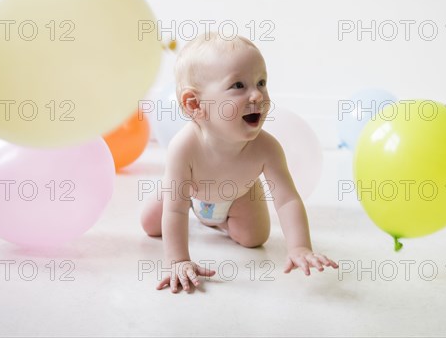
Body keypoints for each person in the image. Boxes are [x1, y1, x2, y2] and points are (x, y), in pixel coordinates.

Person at [140, 33, 338, 293]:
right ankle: (198, 211)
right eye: (238, 86)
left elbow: (287, 199)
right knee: (151, 224)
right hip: (188, 193)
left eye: (261, 82)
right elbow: (175, 210)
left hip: (238, 195)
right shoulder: (184, 147)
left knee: (254, 238)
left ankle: (218, 221)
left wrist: (300, 247)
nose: (257, 95)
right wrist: (178, 260)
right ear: (195, 104)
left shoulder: (266, 148)